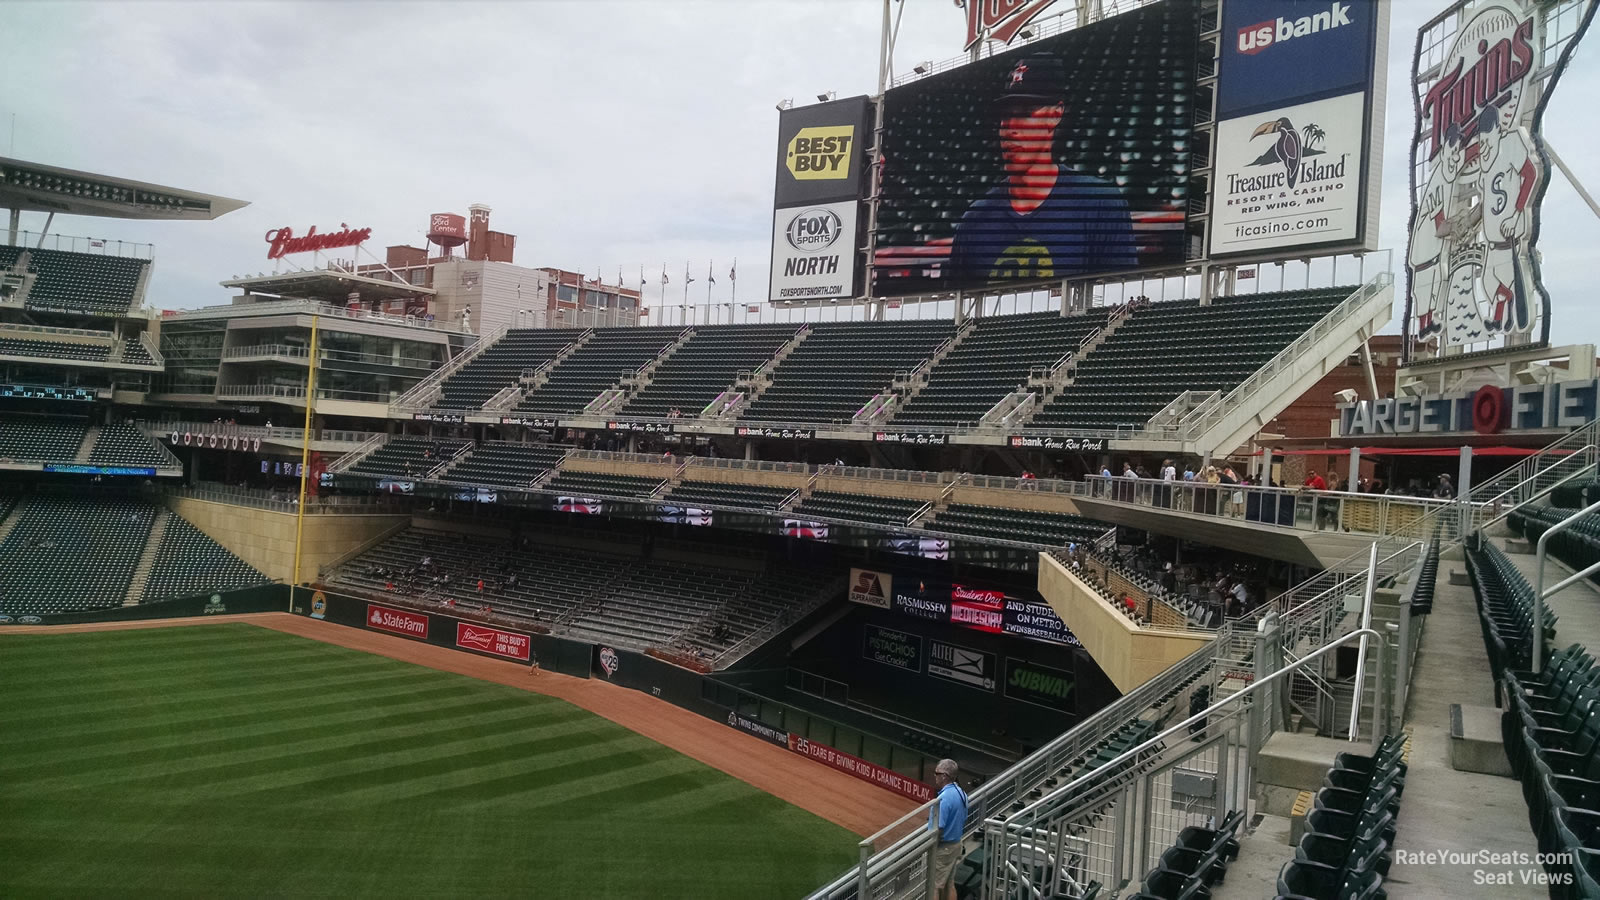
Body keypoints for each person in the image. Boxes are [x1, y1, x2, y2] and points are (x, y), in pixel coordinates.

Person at [946, 55, 1137, 287]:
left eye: (1025, 112)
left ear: (1055, 114)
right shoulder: (974, 221)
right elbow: (957, 304)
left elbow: (1118, 295)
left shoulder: (1100, 203)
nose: (1010, 128)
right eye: (1005, 115)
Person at [928, 759, 968, 900]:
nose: (935, 776)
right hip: (956, 844)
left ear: (944, 776)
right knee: (949, 884)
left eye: (936, 773)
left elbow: (939, 828)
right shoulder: (962, 793)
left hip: (943, 849)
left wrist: (932, 847)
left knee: (934, 886)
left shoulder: (943, 799)